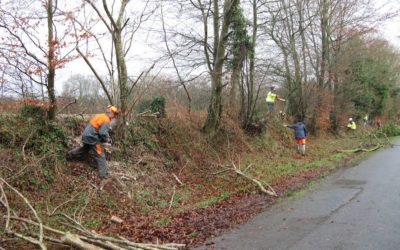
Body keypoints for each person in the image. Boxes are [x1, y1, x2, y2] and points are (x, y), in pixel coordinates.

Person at [66, 106, 119, 185]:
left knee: (85, 149)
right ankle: (103, 175)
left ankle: (70, 154)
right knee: (100, 155)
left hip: (85, 136)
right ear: (110, 113)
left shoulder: (99, 116)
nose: (114, 117)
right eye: (114, 115)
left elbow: (97, 129)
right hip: (92, 138)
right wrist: (106, 139)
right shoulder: (106, 120)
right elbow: (102, 133)